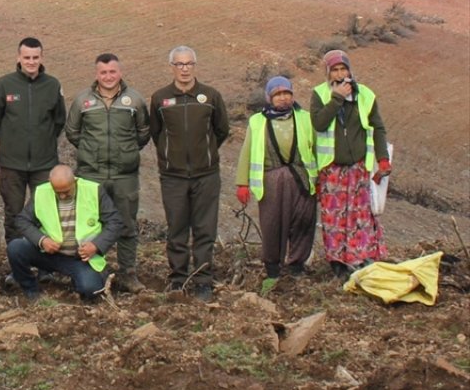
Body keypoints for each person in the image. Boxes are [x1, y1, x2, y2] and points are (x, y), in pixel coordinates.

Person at [148, 46, 230, 301]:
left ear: (195, 65)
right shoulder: (160, 98)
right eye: (179, 64)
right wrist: (170, 156)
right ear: (171, 66)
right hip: (173, 177)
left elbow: (221, 130)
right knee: (177, 230)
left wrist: (204, 154)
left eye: (188, 64)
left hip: (206, 175)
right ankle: (177, 280)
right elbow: (156, 132)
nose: (184, 69)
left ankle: (203, 280)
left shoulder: (211, 96)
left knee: (205, 230)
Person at [64, 53, 150, 293]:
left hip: (125, 175)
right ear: (96, 74)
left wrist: (127, 152)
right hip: (92, 174)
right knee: (90, 225)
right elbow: (73, 132)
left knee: (127, 225)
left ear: (119, 72)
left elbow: (143, 132)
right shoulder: (83, 101)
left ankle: (128, 274)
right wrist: (91, 152)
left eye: (113, 72)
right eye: (103, 72)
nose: (108, 76)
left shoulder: (134, 100)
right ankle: (91, 272)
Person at [311, 50, 390, 278]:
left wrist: (382, 159)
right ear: (328, 73)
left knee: (360, 216)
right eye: (334, 70)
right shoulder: (320, 94)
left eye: (342, 69)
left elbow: (378, 128)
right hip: (332, 168)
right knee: (334, 217)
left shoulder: (365, 95)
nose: (339, 74)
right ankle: (337, 262)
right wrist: (336, 98)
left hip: (358, 167)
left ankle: (362, 258)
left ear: (349, 70)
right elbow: (319, 123)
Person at [235, 76, 318, 284]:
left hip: (302, 177)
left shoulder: (306, 118)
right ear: (269, 98)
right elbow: (246, 152)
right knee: (272, 224)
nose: (283, 98)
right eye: (277, 95)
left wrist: (322, 176)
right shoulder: (257, 122)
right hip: (271, 179)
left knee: (304, 221)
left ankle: (297, 264)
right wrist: (242, 183)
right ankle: (273, 267)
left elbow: (317, 148)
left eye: (286, 93)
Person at [0, 37, 66, 247]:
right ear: (18, 57)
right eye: (27, 57)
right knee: (14, 214)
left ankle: (43, 265)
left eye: (35, 57)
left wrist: (43, 141)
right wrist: (12, 141)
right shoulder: (5, 84)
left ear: (41, 58)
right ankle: (16, 264)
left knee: (43, 213)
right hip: (12, 165)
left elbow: (59, 121)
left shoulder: (52, 85)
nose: (31, 62)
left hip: (44, 164)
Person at [8, 165, 122, 301]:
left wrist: (96, 246)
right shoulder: (41, 192)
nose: (62, 196)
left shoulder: (94, 190)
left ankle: (80, 281)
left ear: (75, 181)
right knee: (16, 248)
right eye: (57, 192)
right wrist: (42, 240)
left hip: (81, 258)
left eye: (66, 192)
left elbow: (115, 222)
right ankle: (31, 291)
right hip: (48, 254)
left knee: (92, 290)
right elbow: (22, 220)